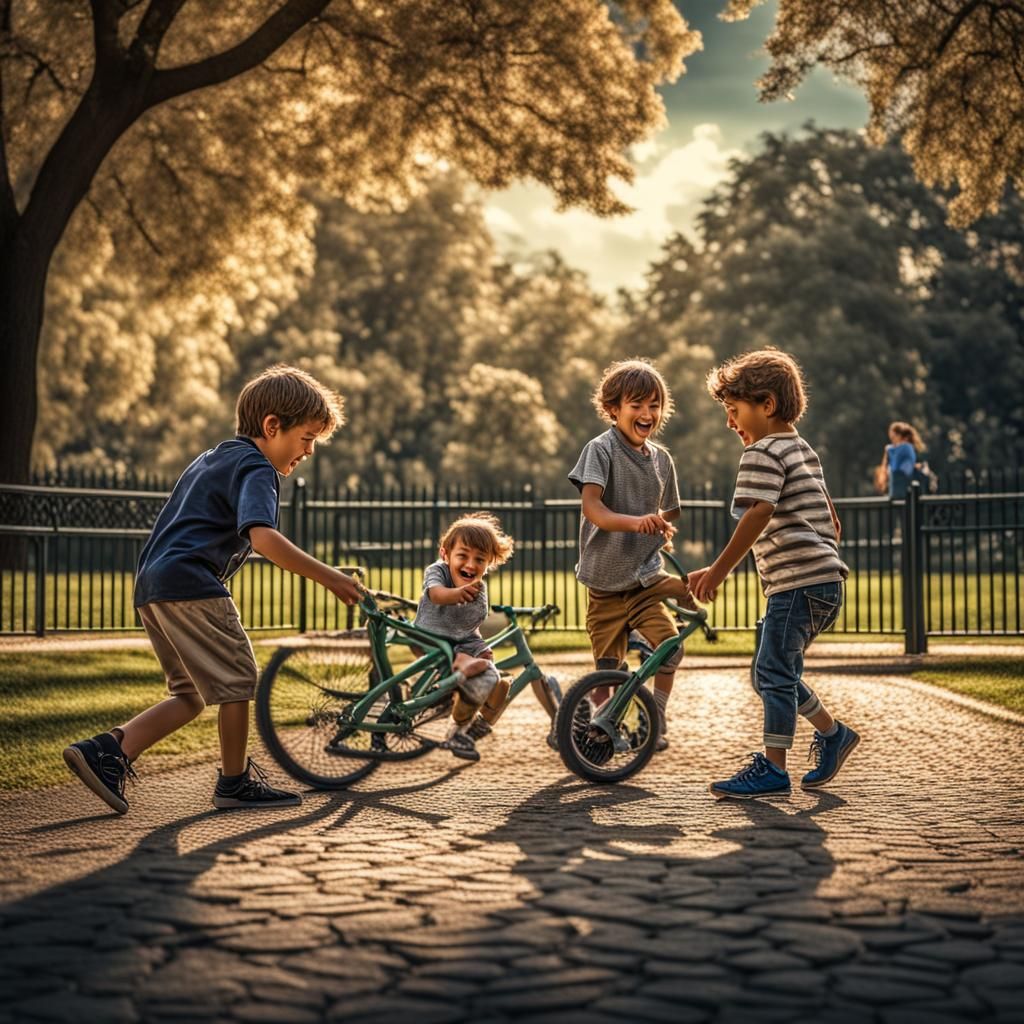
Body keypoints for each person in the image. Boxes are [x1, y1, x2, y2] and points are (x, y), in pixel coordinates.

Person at [63, 365, 363, 815]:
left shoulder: (213, 457)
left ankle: (108, 752)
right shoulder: (258, 467)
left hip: (153, 586)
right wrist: (332, 577)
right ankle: (234, 782)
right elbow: (263, 538)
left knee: (190, 694)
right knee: (240, 677)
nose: (310, 450)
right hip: (191, 583)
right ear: (272, 426)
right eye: (306, 437)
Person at [688, 348, 860, 799]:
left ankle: (773, 768)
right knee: (771, 672)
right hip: (824, 584)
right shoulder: (802, 449)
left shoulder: (761, 452)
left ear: (766, 404)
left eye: (734, 411)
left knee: (774, 671)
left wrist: (718, 571)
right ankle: (832, 733)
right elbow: (832, 521)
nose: (730, 423)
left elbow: (757, 512)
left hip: (797, 586)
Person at [568, 357, 696, 752]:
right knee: (608, 671)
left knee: (670, 648)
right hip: (605, 581)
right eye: (636, 405)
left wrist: (659, 522)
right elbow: (594, 509)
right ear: (613, 409)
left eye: (654, 405)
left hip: (644, 578)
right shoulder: (600, 450)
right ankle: (599, 724)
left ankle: (655, 719)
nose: (647, 414)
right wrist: (637, 522)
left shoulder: (662, 459)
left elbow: (669, 509)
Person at [413, 512, 515, 762]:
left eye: (480, 559)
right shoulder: (437, 571)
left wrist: (480, 649)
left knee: (500, 683)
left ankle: (473, 725)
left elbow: (469, 626)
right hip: (432, 638)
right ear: (445, 554)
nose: (471, 565)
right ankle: (457, 706)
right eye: (463, 555)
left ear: (489, 563)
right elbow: (436, 594)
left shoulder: (480, 589)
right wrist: (457, 593)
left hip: (461, 642)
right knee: (479, 669)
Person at [877, 421, 924, 499]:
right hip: (897, 485)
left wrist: (889, 449)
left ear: (900, 436)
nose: (892, 440)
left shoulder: (906, 447)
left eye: (894, 437)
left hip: (903, 483)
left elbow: (896, 462)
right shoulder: (895, 449)